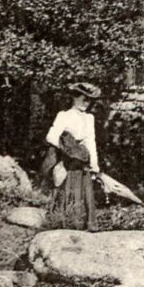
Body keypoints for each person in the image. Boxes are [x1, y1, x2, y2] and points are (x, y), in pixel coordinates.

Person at [44, 82, 101, 230]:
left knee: (83, 191)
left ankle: (81, 225)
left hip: (82, 161)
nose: (87, 103)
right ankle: (63, 223)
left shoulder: (89, 118)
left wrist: (94, 163)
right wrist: (69, 149)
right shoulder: (64, 115)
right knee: (66, 189)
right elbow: (51, 136)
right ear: (75, 98)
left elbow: (90, 140)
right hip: (67, 161)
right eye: (84, 99)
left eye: (90, 100)